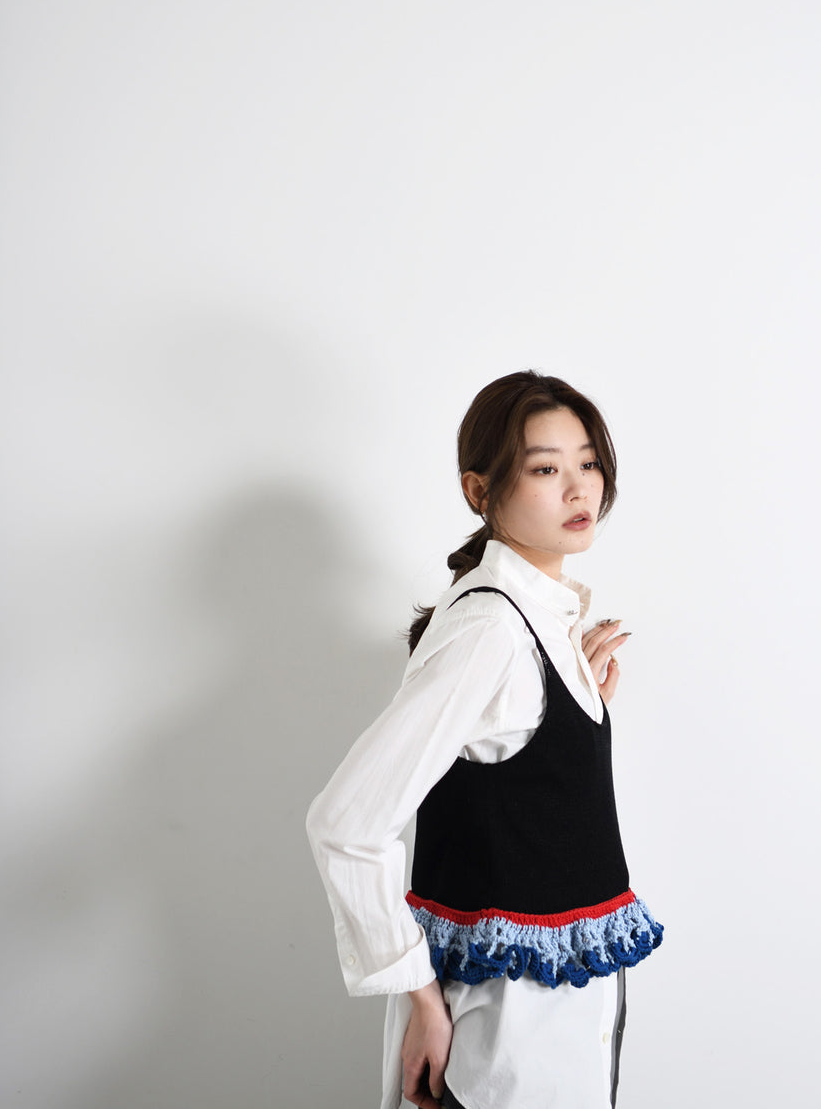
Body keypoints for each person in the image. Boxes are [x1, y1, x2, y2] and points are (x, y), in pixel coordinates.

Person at [306, 371, 663, 1109]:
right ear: (480, 490)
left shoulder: (538, 621)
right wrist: (422, 1000)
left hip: (552, 1028)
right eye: (545, 469)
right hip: (504, 1034)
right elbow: (345, 823)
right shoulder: (492, 628)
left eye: (589, 462)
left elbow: (512, 785)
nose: (579, 488)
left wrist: (574, 712)